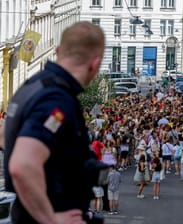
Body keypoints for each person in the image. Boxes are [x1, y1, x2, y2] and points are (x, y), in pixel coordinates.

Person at [3, 22, 106, 224]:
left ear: (58, 51)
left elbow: (5, 136)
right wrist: (51, 220)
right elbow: (22, 165)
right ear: (95, 63)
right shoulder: (57, 100)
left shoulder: (33, 86)